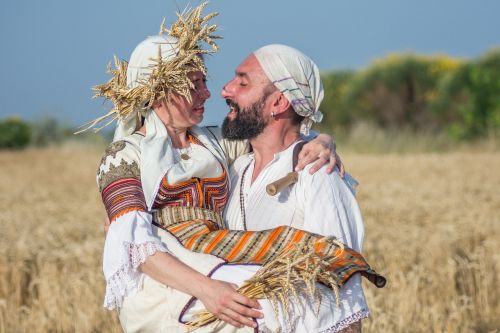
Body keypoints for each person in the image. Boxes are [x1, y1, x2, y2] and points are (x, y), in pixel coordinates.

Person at [91, 4, 380, 332]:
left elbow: (275, 133)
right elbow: (134, 247)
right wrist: (209, 290)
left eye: (204, 80)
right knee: (276, 303)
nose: (208, 92)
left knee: (305, 295)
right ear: (160, 91)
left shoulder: (212, 142)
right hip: (169, 286)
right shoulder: (122, 156)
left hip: (217, 261)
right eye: (194, 84)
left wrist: (324, 141)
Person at [219, 44, 371, 332]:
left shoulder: (317, 173)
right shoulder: (235, 169)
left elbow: (343, 298)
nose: (225, 90)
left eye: (242, 82)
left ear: (278, 103)